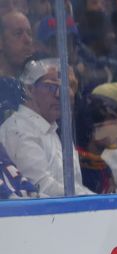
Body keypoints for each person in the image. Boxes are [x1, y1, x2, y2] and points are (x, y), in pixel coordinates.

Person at [0, 58, 93, 196]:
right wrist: (95, 200)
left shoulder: (55, 129)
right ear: (29, 89)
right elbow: (41, 186)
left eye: (65, 88)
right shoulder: (17, 129)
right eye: (50, 87)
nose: (59, 95)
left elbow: (73, 184)